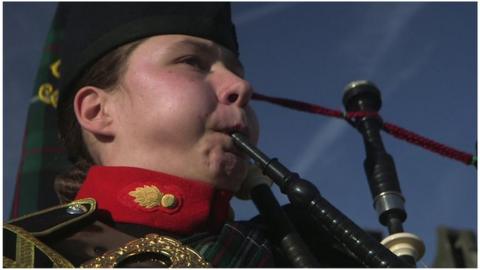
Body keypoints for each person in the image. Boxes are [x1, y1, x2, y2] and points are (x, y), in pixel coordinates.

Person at [4, 3, 364, 267]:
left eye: (236, 70)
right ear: (98, 111)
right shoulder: (21, 256)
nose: (242, 86)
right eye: (192, 61)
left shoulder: (310, 251)